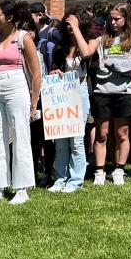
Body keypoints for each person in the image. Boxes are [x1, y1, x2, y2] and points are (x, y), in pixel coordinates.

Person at [66, 1, 131, 186]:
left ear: (126, 19)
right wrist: (75, 28)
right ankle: (100, 170)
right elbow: (85, 53)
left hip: (124, 91)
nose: (113, 22)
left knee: (122, 133)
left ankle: (119, 169)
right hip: (102, 91)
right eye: (111, 19)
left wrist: (110, 63)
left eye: (117, 19)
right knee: (102, 133)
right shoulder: (102, 39)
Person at [0, 1, 41, 204]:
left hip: (16, 86)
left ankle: (22, 187)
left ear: (8, 16)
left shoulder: (23, 38)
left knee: (20, 135)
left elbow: (36, 73)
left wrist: (34, 104)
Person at [45, 10, 92, 193]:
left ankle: (76, 180)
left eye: (73, 24)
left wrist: (76, 28)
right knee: (61, 140)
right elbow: (56, 68)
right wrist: (55, 74)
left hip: (79, 94)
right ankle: (60, 178)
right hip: (62, 94)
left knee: (77, 140)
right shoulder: (60, 47)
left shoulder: (89, 42)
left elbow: (87, 54)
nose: (69, 28)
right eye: (67, 24)